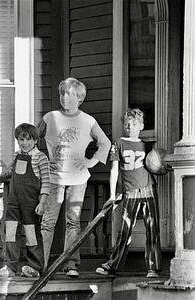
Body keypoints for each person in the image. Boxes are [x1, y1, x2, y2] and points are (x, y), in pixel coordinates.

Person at [37, 77, 111, 277]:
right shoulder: (50, 118)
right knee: (47, 223)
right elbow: (32, 139)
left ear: (79, 98)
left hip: (78, 180)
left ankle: (70, 264)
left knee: (73, 222)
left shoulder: (88, 120)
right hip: (54, 178)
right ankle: (40, 266)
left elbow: (105, 143)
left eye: (69, 94)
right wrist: (41, 162)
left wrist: (91, 161)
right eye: (62, 93)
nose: (64, 97)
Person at [96, 108, 162, 278]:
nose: (130, 127)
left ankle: (152, 268)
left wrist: (164, 166)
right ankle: (113, 265)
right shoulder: (118, 143)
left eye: (134, 124)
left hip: (148, 189)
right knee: (125, 229)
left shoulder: (147, 146)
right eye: (127, 124)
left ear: (141, 125)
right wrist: (112, 195)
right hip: (130, 191)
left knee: (152, 228)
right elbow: (114, 170)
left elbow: (156, 165)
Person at [0, 123, 50, 278]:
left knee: (31, 235)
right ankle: (10, 266)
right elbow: (11, 173)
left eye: (29, 139)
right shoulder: (16, 155)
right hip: (13, 203)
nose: (25, 143)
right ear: (17, 140)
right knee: (11, 234)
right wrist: (0, 175)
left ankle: (35, 267)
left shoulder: (41, 157)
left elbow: (46, 183)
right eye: (22, 139)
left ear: (35, 140)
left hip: (31, 204)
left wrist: (42, 202)